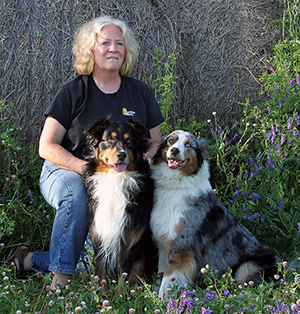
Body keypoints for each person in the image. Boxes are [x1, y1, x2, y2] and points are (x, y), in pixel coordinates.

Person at [7, 16, 164, 291]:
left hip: (118, 175)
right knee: (76, 194)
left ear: (126, 51)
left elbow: (155, 142)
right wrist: (84, 169)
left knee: (97, 257)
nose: (113, 48)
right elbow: (47, 146)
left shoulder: (140, 92)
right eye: (105, 43)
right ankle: (60, 284)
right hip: (66, 170)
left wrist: (146, 160)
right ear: (91, 49)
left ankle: (28, 260)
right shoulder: (72, 92)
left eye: (119, 43)